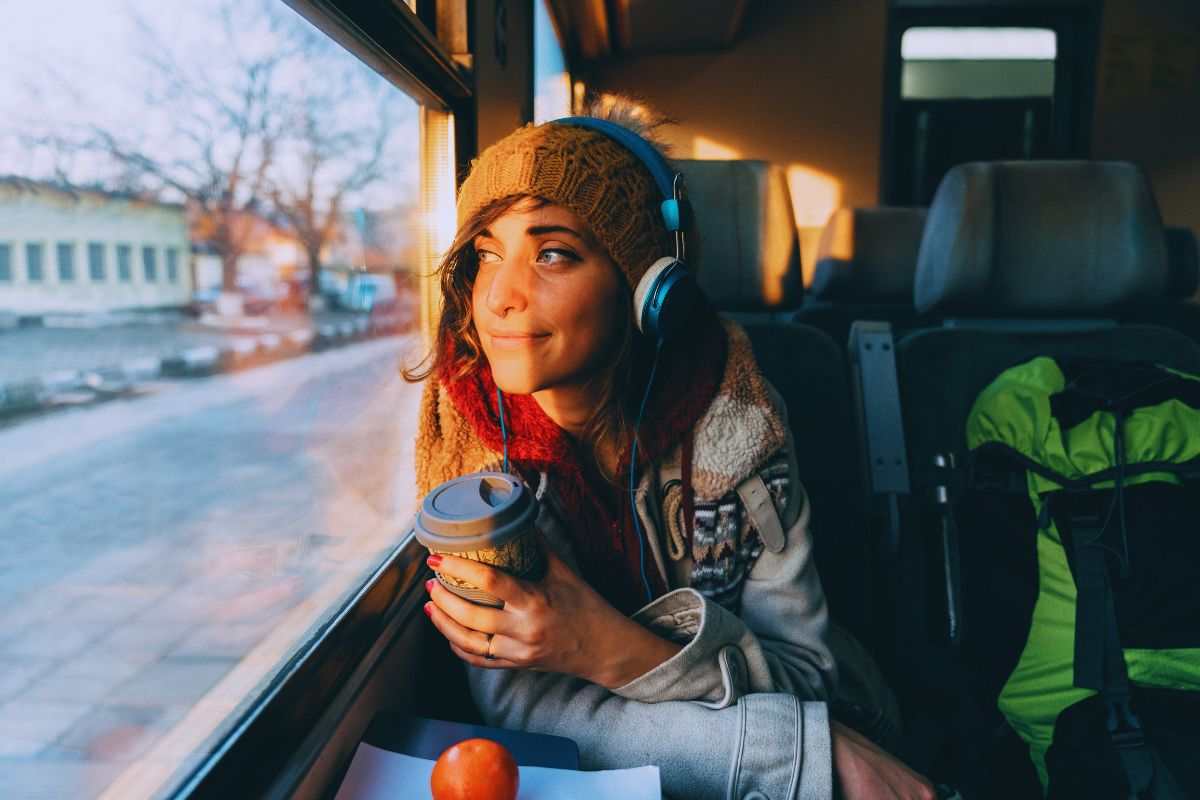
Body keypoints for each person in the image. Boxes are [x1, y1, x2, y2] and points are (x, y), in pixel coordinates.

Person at [406, 97, 934, 800]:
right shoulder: (470, 451)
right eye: (485, 254)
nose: (499, 295)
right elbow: (527, 710)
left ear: (647, 287)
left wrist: (607, 648)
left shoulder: (738, 422)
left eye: (553, 253)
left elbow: (811, 675)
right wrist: (797, 751)